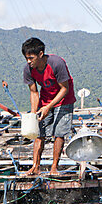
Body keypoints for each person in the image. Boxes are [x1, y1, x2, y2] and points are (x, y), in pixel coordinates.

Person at [22, 37, 76, 177]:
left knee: (59, 133)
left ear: (40, 54)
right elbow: (34, 92)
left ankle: (54, 167)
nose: (29, 61)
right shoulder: (29, 69)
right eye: (26, 58)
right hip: (45, 98)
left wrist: (49, 107)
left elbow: (64, 88)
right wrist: (34, 113)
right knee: (39, 132)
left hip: (64, 99)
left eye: (31, 58)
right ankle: (35, 166)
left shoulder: (57, 63)